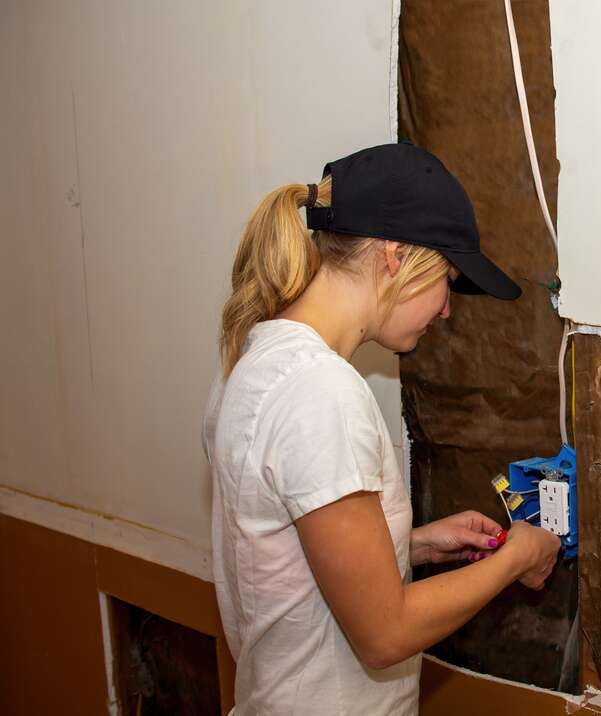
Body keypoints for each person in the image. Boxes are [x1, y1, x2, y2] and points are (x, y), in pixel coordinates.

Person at [202, 142, 562, 715]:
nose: (446, 309)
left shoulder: (254, 364)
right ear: (394, 255)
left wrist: (410, 546)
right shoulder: (322, 394)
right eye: (445, 276)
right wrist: (517, 557)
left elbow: (285, 562)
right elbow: (385, 634)